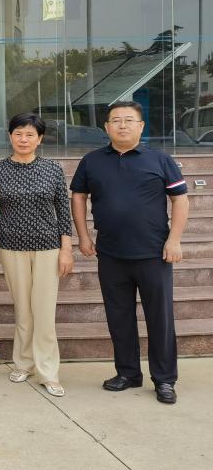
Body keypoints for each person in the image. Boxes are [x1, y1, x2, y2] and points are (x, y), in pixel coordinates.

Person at [70, 100, 189, 405]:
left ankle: (164, 379)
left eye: (128, 120)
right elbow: (78, 197)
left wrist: (174, 240)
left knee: (160, 319)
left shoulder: (160, 160)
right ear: (106, 127)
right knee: (119, 317)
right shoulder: (92, 161)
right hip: (110, 254)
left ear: (141, 126)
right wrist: (83, 236)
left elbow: (180, 199)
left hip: (154, 254)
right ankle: (127, 373)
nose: (122, 125)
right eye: (115, 120)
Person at [0, 113, 74, 398]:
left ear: (39, 139)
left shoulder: (52, 170)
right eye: (18, 134)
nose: (23, 139)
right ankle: (23, 363)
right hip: (11, 247)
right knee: (23, 309)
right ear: (10, 136)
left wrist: (66, 248)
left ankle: (48, 371)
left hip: (48, 247)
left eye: (29, 135)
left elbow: (63, 211)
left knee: (44, 311)